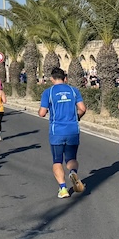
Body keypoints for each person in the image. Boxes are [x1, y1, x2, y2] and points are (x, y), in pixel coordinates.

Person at [39, 67, 87, 199]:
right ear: (65, 78)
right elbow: (82, 108)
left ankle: (63, 189)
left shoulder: (48, 92)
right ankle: (73, 172)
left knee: (57, 160)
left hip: (57, 131)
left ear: (51, 79)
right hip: (73, 130)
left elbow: (42, 113)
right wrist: (76, 117)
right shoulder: (73, 90)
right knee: (71, 158)